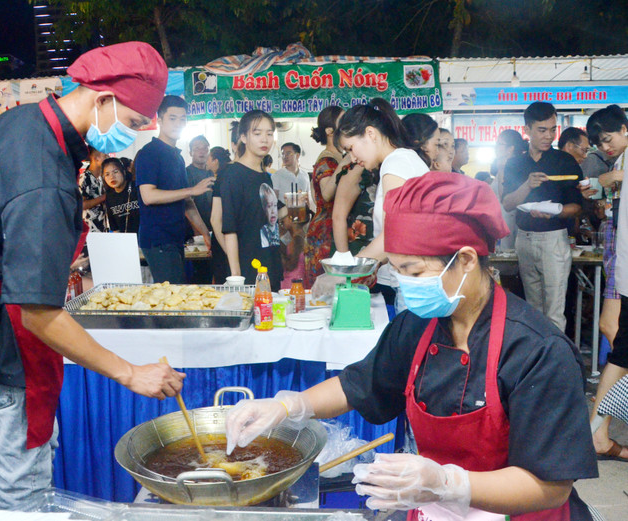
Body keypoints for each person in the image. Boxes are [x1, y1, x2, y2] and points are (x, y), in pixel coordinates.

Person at [226, 172, 598, 520]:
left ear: (466, 259)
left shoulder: (539, 352)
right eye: (398, 270)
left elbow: (550, 487)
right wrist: (290, 405)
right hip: (435, 510)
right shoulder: (417, 326)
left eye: (415, 272)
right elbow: (359, 384)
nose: (405, 284)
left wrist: (448, 484)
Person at [0, 42, 186, 509]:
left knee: (28, 454)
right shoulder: (43, 178)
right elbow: (37, 313)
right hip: (11, 335)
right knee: (25, 475)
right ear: (102, 99)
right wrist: (130, 374)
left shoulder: (16, 122)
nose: (130, 140)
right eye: (132, 124)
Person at [337, 99, 429, 307]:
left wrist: (344, 274)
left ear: (370, 134)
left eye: (351, 148)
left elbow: (393, 233)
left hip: (418, 281)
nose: (352, 158)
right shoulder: (397, 162)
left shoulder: (397, 163)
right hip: (412, 278)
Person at [502, 102, 583, 332]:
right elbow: (508, 203)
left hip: (554, 239)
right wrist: (527, 185)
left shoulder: (564, 161)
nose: (549, 136)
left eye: (552, 129)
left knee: (555, 310)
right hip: (524, 239)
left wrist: (554, 211)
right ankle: (538, 362)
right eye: (542, 130)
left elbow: (576, 206)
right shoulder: (516, 163)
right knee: (533, 309)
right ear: (526, 129)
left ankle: (557, 364)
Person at [586, 105, 628, 462]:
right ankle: (597, 432)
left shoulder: (620, 167)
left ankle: (597, 432)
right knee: (618, 342)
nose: (606, 146)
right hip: (623, 266)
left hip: (623, 266)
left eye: (609, 137)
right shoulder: (619, 165)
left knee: (620, 345)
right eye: (601, 142)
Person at [135, 95, 213, 283]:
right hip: (158, 240)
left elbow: (187, 202)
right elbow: (148, 196)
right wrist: (191, 190)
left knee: (178, 294)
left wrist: (205, 234)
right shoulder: (149, 153)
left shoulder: (177, 158)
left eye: (183, 119)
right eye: (172, 118)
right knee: (170, 298)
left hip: (176, 239)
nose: (178, 123)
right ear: (160, 120)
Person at [220, 109, 282, 289]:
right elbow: (229, 229)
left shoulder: (265, 175)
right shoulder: (233, 175)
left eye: (269, 134)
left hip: (269, 264)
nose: (265, 139)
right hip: (249, 269)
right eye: (257, 133)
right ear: (244, 138)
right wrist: (236, 277)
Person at [304, 105, 347, 287]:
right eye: (343, 122)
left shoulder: (338, 157)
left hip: (334, 228)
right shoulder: (327, 160)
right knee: (324, 288)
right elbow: (326, 193)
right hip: (325, 233)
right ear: (330, 131)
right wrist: (345, 162)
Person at [491, 129, 527, 250]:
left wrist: (501, 168)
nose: (495, 147)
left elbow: (503, 197)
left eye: (499, 144)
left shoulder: (507, 168)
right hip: (501, 219)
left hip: (507, 221)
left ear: (510, 149)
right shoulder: (505, 166)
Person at [184, 135, 214, 283]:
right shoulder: (186, 174)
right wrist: (200, 234)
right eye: (197, 149)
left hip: (215, 230)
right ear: (190, 152)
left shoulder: (212, 173)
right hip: (195, 234)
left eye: (205, 148)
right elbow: (186, 206)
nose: (201, 152)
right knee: (201, 277)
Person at [209, 146, 233, 283]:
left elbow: (215, 219)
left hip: (223, 235)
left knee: (224, 277)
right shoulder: (229, 173)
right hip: (228, 234)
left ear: (215, 160)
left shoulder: (223, 176)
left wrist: (226, 249)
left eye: (209, 158)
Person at [101, 157, 139, 233]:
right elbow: (115, 227)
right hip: (125, 241)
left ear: (123, 172)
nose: (112, 177)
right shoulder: (109, 197)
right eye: (107, 174)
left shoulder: (136, 188)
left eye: (115, 172)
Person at [79, 149, 108, 232]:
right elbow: (81, 205)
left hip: (102, 227)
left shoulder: (101, 178)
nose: (108, 158)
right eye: (105, 156)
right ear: (96, 158)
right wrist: (102, 198)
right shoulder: (85, 177)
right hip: (89, 228)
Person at [277, 206, 306, 290]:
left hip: (288, 284)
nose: (282, 224)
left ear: (291, 218)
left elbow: (289, 264)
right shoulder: (300, 236)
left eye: (283, 221)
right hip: (301, 283)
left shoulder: (294, 239)